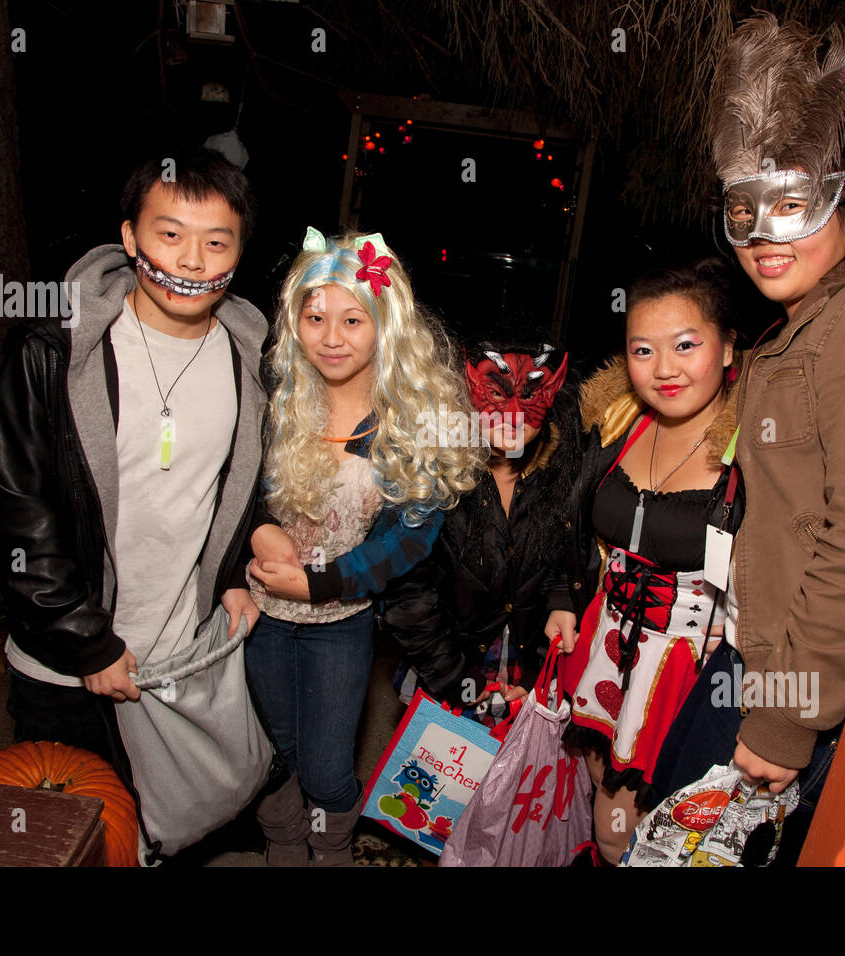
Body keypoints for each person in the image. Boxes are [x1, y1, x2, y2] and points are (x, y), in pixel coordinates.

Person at [651, 14, 845, 864]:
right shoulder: (794, 333)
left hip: (786, 684)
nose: (765, 233)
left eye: (794, 205)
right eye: (745, 209)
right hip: (750, 655)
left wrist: (788, 720)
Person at [0, 149, 267, 847]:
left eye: (215, 241)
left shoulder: (256, 363)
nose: (193, 259)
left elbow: (249, 487)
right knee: (68, 841)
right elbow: (17, 508)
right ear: (131, 238)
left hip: (176, 659)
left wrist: (236, 575)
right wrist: (85, 641)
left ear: (237, 253)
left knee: (170, 826)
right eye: (170, 234)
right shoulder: (53, 352)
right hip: (65, 666)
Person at [243, 228, 482, 866]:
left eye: (352, 319)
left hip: (340, 624)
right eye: (315, 317)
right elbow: (237, 495)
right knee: (270, 754)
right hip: (257, 615)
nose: (331, 336)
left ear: (386, 325)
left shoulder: (404, 422)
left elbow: (410, 542)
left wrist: (322, 584)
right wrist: (262, 530)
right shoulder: (277, 405)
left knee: (325, 767)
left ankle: (334, 847)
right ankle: (284, 843)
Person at [545, 260, 743, 865]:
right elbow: (566, 520)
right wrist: (559, 596)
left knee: (643, 834)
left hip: (686, 671)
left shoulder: (753, 450)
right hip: (604, 646)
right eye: (642, 349)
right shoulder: (617, 422)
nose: (663, 369)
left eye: (686, 345)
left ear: (729, 348)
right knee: (595, 800)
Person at [380, 333, 581, 725]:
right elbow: (408, 598)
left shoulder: (560, 481)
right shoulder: (433, 481)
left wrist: (540, 670)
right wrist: (459, 681)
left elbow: (565, 566)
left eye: (531, 397)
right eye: (495, 393)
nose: (512, 414)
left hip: (524, 676)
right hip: (445, 671)